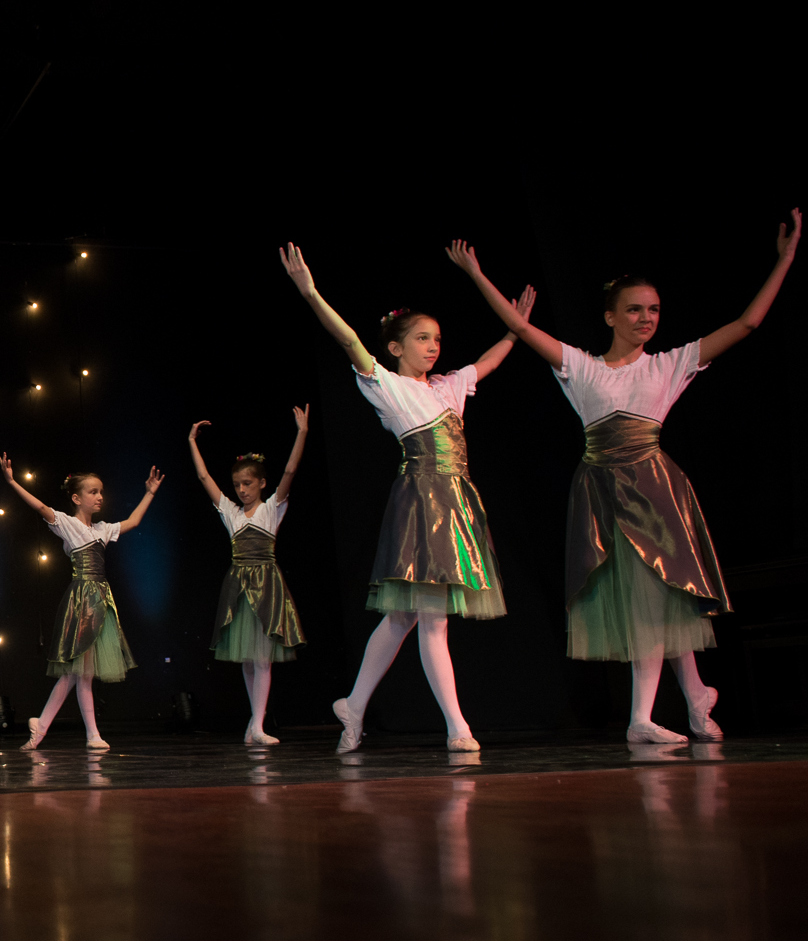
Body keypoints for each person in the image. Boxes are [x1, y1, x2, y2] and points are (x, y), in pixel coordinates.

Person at [446, 209, 800, 742]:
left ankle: (643, 718)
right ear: (610, 316)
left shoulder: (669, 364)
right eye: (634, 309)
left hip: (654, 490)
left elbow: (747, 324)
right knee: (651, 596)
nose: (646, 318)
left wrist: (786, 260)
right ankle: (695, 699)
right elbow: (519, 327)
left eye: (653, 309)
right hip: (602, 489)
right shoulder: (581, 366)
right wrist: (477, 274)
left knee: (656, 593)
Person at [279, 242, 526, 753]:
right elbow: (349, 340)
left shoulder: (448, 388)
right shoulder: (388, 386)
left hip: (455, 505)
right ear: (395, 347)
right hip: (422, 505)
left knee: (402, 617)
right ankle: (457, 726)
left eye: (436, 338)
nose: (433, 346)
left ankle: (353, 705)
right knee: (431, 619)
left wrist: (514, 330)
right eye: (421, 338)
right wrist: (311, 293)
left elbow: (487, 362)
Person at [0, 455, 163, 751]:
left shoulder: (102, 530)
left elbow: (134, 521)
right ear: (76, 498)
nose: (100, 497)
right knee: (79, 673)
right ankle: (85, 733)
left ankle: (48, 726)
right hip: (82, 601)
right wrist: (12, 482)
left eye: (101, 492)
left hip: (101, 600)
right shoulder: (68, 524)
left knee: (79, 674)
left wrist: (150, 492)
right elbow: (40, 507)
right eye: (93, 492)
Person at [189, 407, 309, 744]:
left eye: (247, 483)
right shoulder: (231, 513)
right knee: (247, 657)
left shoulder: (272, 509)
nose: (242, 490)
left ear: (261, 483)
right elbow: (204, 478)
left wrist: (302, 432)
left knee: (262, 657)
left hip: (267, 585)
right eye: (237, 485)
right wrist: (192, 442)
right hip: (239, 586)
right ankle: (254, 725)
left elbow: (290, 469)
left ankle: (257, 725)